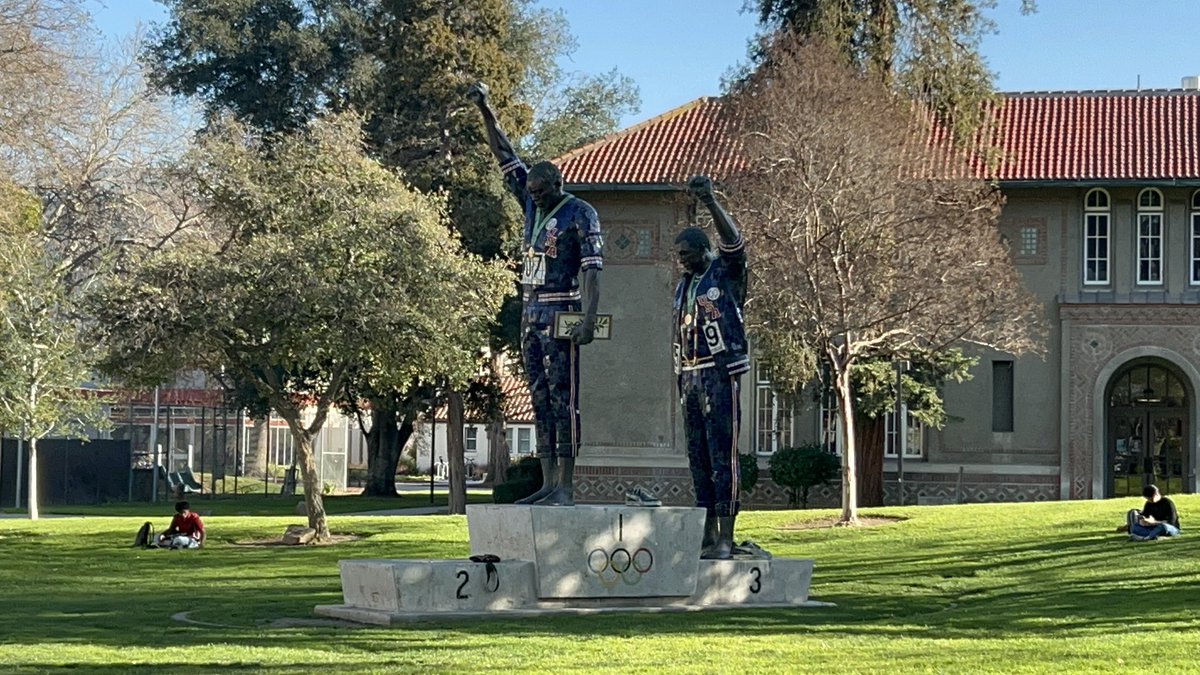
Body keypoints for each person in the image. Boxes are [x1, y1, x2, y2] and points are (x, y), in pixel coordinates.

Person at [469, 81, 603, 507]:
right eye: (532, 194)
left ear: (558, 185)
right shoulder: (532, 206)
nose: (536, 198)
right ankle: (546, 482)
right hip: (531, 314)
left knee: (564, 398)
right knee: (540, 399)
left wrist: (588, 318)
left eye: (542, 192)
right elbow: (506, 155)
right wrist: (486, 109)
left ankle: (566, 484)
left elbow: (593, 270)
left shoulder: (581, 213)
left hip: (563, 308)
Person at [674, 176, 750, 559]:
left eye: (688, 253)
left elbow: (735, 245)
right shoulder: (683, 286)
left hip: (719, 374)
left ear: (704, 249)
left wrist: (711, 201)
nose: (682, 261)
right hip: (689, 377)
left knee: (723, 458)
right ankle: (705, 534)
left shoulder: (724, 273)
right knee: (698, 459)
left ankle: (726, 535)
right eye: (679, 256)